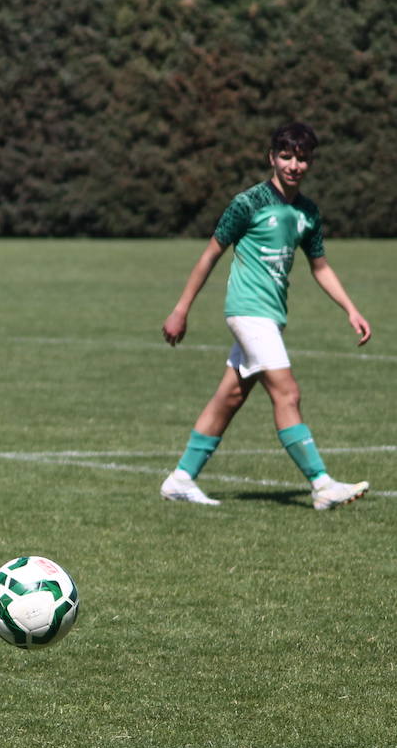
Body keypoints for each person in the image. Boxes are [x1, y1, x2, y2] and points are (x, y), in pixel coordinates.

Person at [159, 121, 371, 510]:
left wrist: (351, 310)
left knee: (230, 396)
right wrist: (181, 309)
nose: (294, 165)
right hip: (247, 313)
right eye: (286, 156)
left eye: (302, 159)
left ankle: (180, 479)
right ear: (272, 157)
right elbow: (211, 255)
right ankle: (322, 485)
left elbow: (320, 267)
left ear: (310, 163)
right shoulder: (248, 203)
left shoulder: (308, 212)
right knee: (288, 392)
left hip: (270, 316)